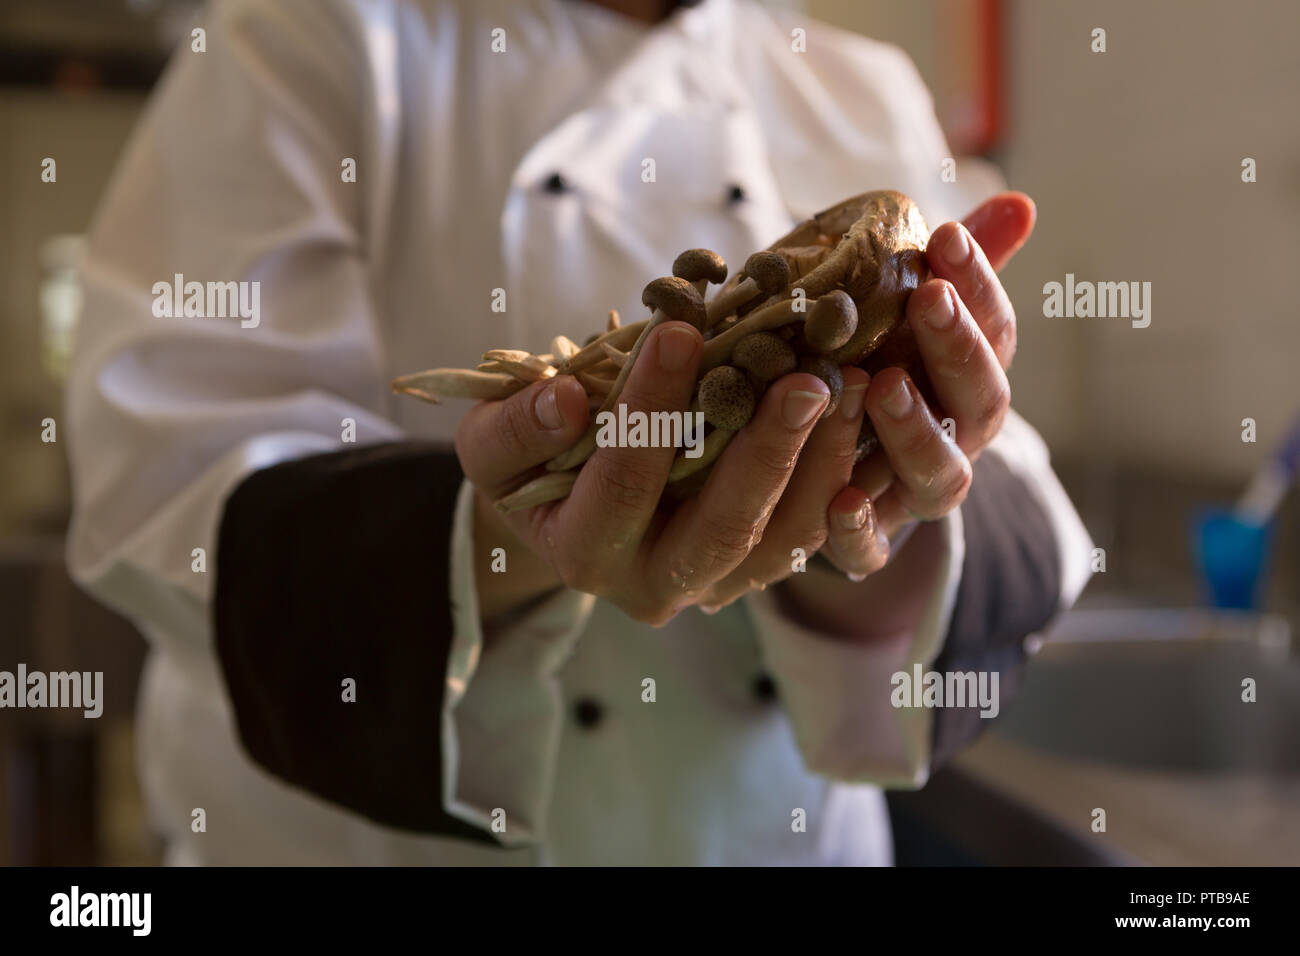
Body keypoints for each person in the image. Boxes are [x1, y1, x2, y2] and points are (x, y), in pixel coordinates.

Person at [66, 0, 1091, 865]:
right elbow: (170, 490)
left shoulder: (858, 86)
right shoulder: (306, 35)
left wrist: (866, 515)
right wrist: (504, 534)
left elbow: (1004, 488)